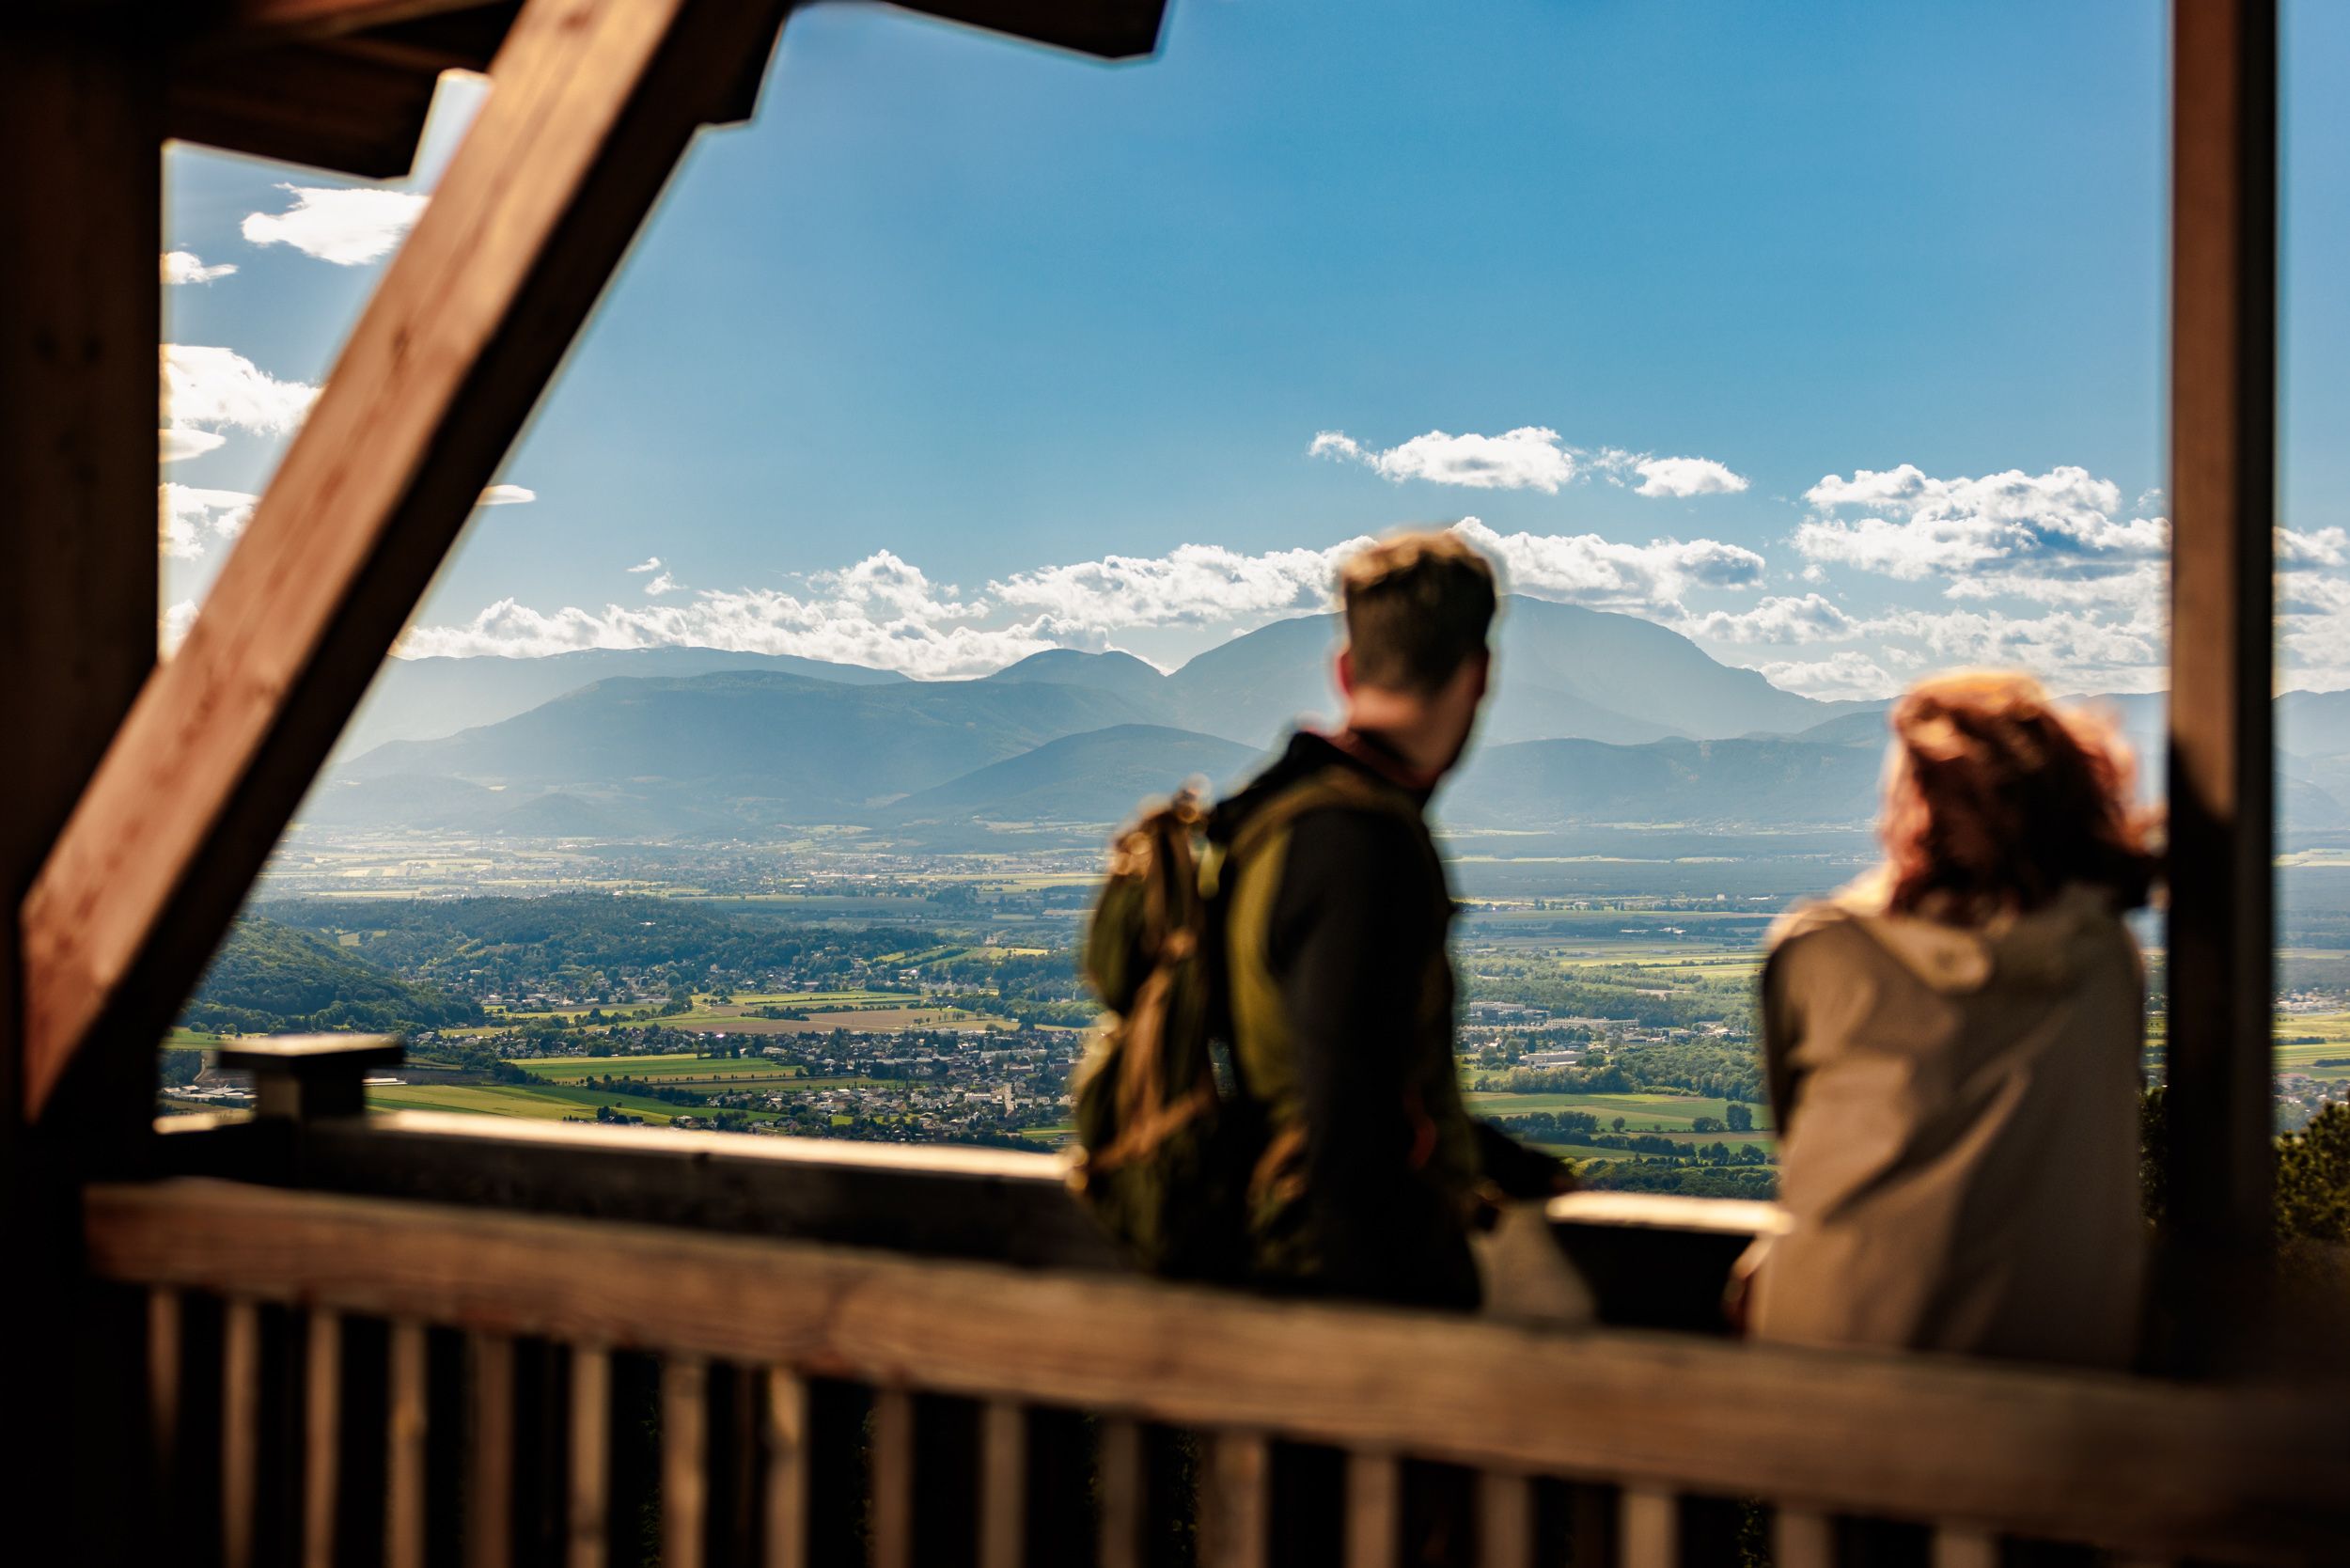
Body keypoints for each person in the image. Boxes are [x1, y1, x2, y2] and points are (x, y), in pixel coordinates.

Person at [1747, 670, 2159, 1368]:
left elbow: (1802, 1137)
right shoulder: (2105, 959)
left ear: (1914, 806)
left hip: (1833, 1361)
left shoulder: (1825, 949)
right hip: (2062, 1383)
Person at [1207, 528, 1568, 1312]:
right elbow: (1350, 1119)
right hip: (1340, 1300)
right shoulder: (1362, 843)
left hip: (1272, 1264)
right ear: (1478, 677)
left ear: (1345, 669)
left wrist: (1509, 1168)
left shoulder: (1267, 821)